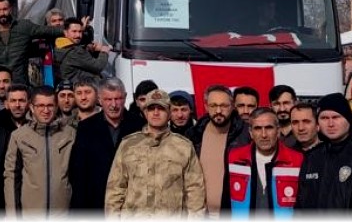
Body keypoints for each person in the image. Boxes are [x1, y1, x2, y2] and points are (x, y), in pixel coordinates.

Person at [105, 88, 206, 216]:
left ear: (169, 113)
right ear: (145, 112)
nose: (156, 113)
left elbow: (195, 191)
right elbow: (115, 189)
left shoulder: (184, 147)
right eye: (151, 108)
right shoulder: (128, 145)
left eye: (161, 108)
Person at [293, 93, 352, 212]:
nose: (330, 124)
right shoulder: (312, 158)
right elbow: (300, 208)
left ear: (348, 119)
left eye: (336, 117)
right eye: (324, 118)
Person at [69, 78, 146, 210]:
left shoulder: (140, 125)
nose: (114, 105)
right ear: (99, 100)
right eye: (108, 99)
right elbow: (78, 173)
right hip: (96, 205)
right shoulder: (86, 128)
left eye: (118, 99)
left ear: (125, 97)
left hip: (131, 205)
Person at [4, 86, 75, 217]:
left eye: (50, 105)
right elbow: (12, 177)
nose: (46, 110)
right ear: (31, 107)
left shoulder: (70, 134)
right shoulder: (19, 136)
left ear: (56, 106)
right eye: (40, 105)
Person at [225, 107, 304, 216]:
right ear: (251, 132)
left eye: (269, 128)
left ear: (278, 130)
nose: (264, 135)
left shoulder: (297, 160)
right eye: (257, 128)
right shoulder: (234, 157)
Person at [187, 84, 247, 215]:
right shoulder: (194, 135)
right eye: (213, 105)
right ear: (206, 106)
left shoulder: (246, 135)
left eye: (224, 106)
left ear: (232, 106)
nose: (218, 110)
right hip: (200, 213)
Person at [0, 0, 64, 87]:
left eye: (5, 9)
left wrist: (70, 30)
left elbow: (48, 31)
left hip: (19, 85)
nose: (2, 13)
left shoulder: (23, 26)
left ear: (10, 9)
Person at [54, 17, 110, 85]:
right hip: (83, 87)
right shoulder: (75, 52)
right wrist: (104, 51)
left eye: (80, 31)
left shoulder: (60, 45)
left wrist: (87, 48)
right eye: (74, 31)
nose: (78, 35)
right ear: (65, 32)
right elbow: (98, 66)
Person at [268, 84, 300, 149]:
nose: (282, 109)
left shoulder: (304, 130)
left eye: (286, 103)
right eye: (276, 104)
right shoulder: (264, 132)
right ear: (270, 106)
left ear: (295, 104)